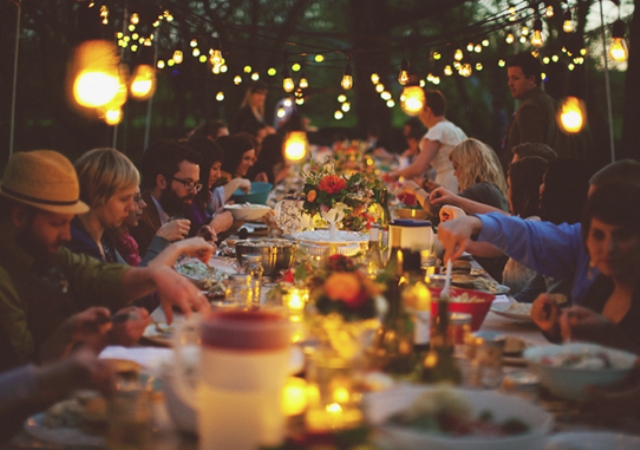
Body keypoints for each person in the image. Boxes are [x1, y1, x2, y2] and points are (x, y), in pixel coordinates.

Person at [0, 150, 208, 371]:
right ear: (19, 217)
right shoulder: (7, 279)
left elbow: (94, 273)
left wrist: (155, 274)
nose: (68, 235)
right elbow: (22, 376)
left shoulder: (38, 247)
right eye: (56, 223)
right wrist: (80, 334)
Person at [435, 159, 640, 306]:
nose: (608, 246)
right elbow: (530, 235)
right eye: (592, 206)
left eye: (621, 234)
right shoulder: (583, 239)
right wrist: (474, 223)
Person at [532, 183, 640, 353]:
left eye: (622, 235)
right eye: (598, 235)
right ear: (586, 240)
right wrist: (555, 328)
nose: (609, 247)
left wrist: (611, 337)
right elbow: (585, 358)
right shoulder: (602, 286)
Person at [132, 140, 226, 254]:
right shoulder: (141, 217)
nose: (194, 192)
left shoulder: (174, 208)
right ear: (162, 182)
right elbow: (151, 267)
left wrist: (196, 241)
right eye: (188, 183)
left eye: (196, 184)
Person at [389, 90, 466, 192]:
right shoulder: (457, 130)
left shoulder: (437, 131)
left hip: (447, 183)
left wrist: (395, 174)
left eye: (421, 111)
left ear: (428, 111)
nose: (419, 116)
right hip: (462, 182)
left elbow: (419, 167)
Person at [502, 52, 559, 167]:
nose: (510, 83)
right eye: (509, 78)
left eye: (515, 78)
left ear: (532, 79)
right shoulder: (551, 102)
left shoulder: (530, 108)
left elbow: (530, 159)